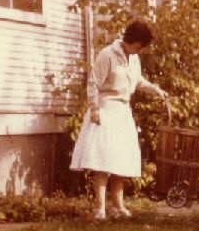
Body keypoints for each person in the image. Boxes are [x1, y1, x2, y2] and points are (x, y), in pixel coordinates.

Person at [70, 18, 168, 220]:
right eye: (139, 46)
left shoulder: (133, 58)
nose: (140, 50)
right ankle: (100, 209)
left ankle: (118, 205)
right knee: (103, 160)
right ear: (131, 40)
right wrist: (94, 108)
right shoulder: (107, 55)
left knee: (120, 160)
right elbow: (93, 83)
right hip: (105, 111)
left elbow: (138, 81)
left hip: (123, 113)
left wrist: (156, 90)